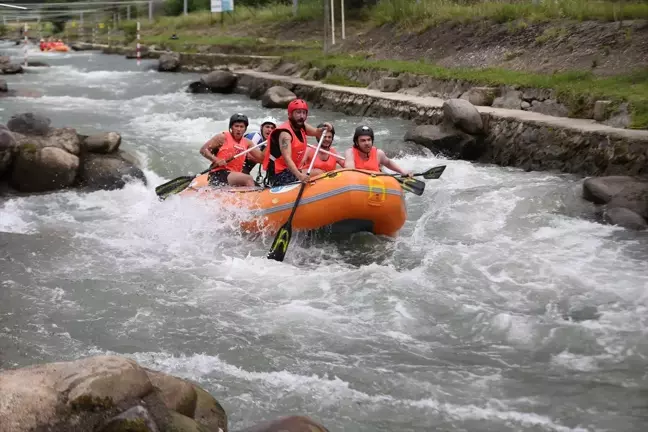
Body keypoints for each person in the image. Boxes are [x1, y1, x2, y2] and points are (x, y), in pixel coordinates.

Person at [261, 99, 332, 186]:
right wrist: (300, 176)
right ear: (290, 114)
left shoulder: (302, 126)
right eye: (298, 112)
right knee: (315, 174)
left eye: (304, 113)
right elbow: (287, 159)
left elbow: (317, 132)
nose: (301, 116)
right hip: (279, 174)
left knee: (319, 172)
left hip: (292, 170)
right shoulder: (285, 135)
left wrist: (326, 127)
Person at [199, 113, 264, 187]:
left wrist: (270, 142)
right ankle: (251, 197)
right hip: (219, 174)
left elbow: (262, 159)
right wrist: (216, 160)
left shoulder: (248, 142)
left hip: (235, 175)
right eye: (236, 126)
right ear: (231, 127)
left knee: (258, 187)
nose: (239, 129)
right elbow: (203, 150)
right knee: (248, 179)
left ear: (245, 129)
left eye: (242, 127)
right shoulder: (222, 137)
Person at [344, 125, 412, 176]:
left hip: (375, 185)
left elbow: (388, 163)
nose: (367, 143)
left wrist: (402, 171)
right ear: (356, 142)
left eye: (369, 140)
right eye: (363, 140)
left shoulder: (378, 153)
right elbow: (350, 170)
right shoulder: (350, 152)